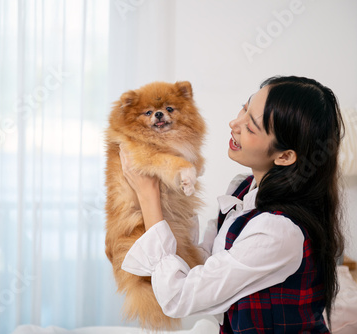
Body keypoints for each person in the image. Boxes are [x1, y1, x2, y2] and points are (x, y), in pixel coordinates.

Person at [119, 76, 344, 333]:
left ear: (284, 156)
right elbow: (206, 263)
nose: (234, 124)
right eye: (244, 108)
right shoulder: (244, 189)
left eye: (251, 127)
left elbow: (178, 296)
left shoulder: (277, 233)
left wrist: (149, 198)